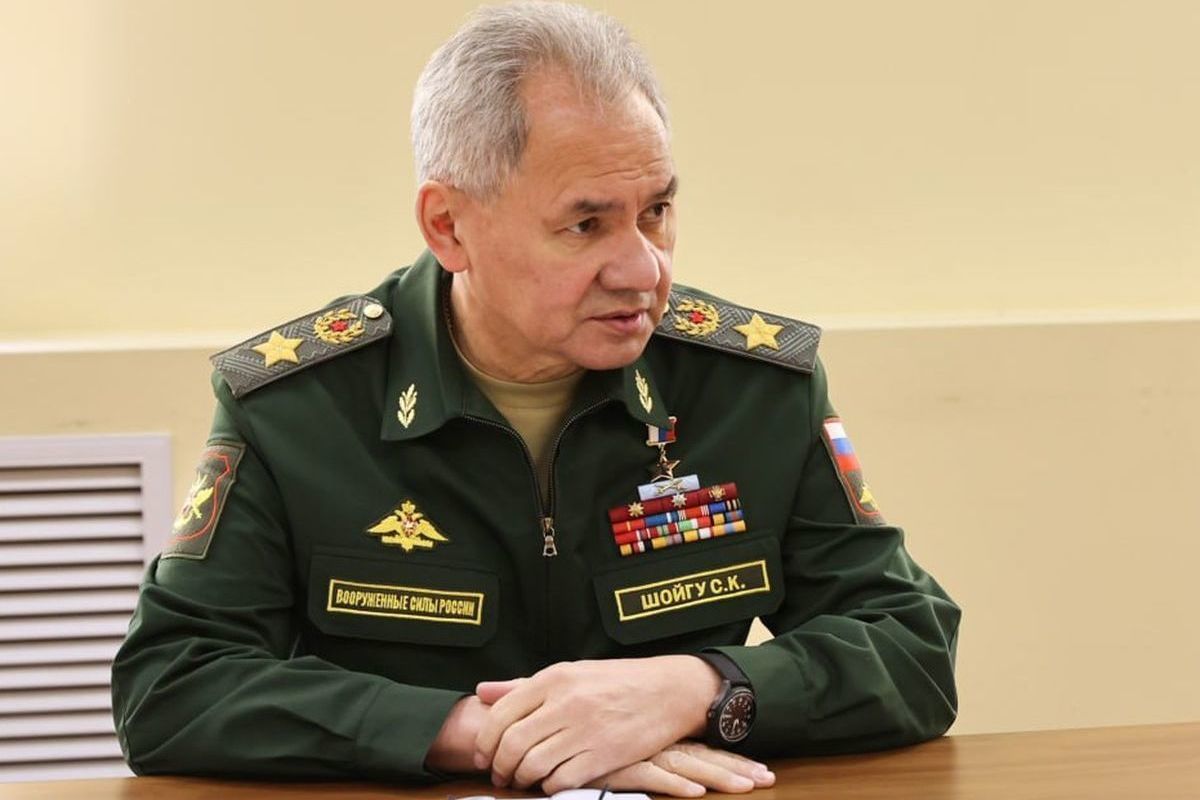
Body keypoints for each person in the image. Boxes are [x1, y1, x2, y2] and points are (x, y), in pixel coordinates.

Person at [111, 3, 960, 796]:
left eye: (657, 211)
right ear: (448, 226)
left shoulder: (752, 390)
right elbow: (172, 684)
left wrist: (697, 688)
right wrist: (477, 732)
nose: (643, 269)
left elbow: (912, 645)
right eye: (585, 225)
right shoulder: (298, 409)